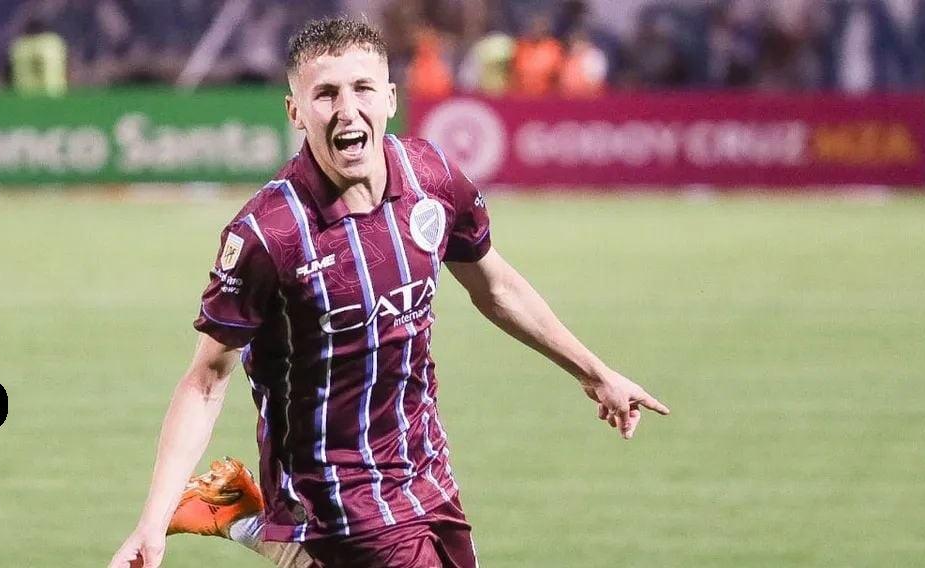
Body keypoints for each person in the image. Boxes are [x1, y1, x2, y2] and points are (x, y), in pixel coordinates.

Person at [108, 17, 669, 568]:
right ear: (295, 111)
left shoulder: (432, 178)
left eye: (362, 89)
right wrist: (152, 522)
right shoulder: (268, 233)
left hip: (426, 467)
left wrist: (596, 373)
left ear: (391, 99)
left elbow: (496, 287)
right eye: (325, 94)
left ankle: (242, 517)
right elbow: (206, 380)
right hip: (336, 491)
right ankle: (254, 522)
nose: (347, 109)